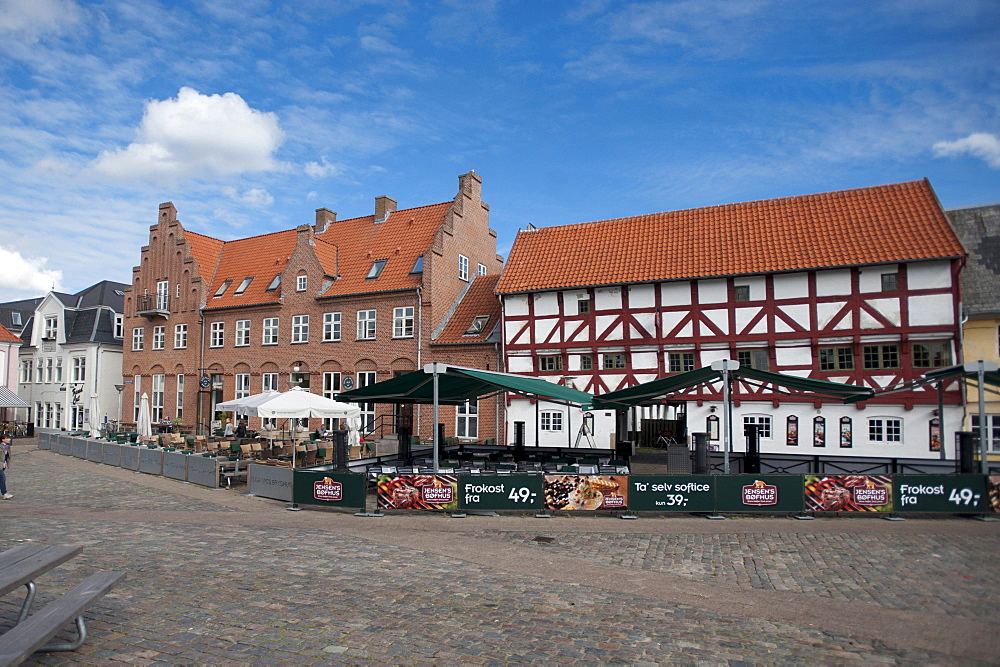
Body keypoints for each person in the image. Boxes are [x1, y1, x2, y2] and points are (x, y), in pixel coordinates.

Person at [1, 434, 12, 500]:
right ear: (3, 440)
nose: (9, 439)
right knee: (2, 478)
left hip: (3, 465)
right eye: (7, 438)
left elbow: (8, 456)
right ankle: (4, 493)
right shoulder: (1, 446)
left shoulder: (6, 446)